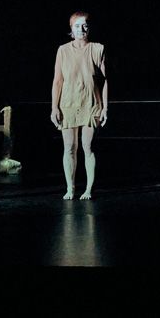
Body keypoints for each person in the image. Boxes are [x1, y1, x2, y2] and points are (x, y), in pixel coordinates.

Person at [50, 11, 107, 200]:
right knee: (69, 147)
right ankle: (70, 188)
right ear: (71, 29)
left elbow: (104, 81)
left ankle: (89, 189)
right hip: (68, 103)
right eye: (77, 26)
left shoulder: (97, 49)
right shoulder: (63, 50)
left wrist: (105, 107)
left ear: (89, 27)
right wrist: (54, 107)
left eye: (84, 25)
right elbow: (57, 81)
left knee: (87, 146)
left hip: (90, 103)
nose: (81, 29)